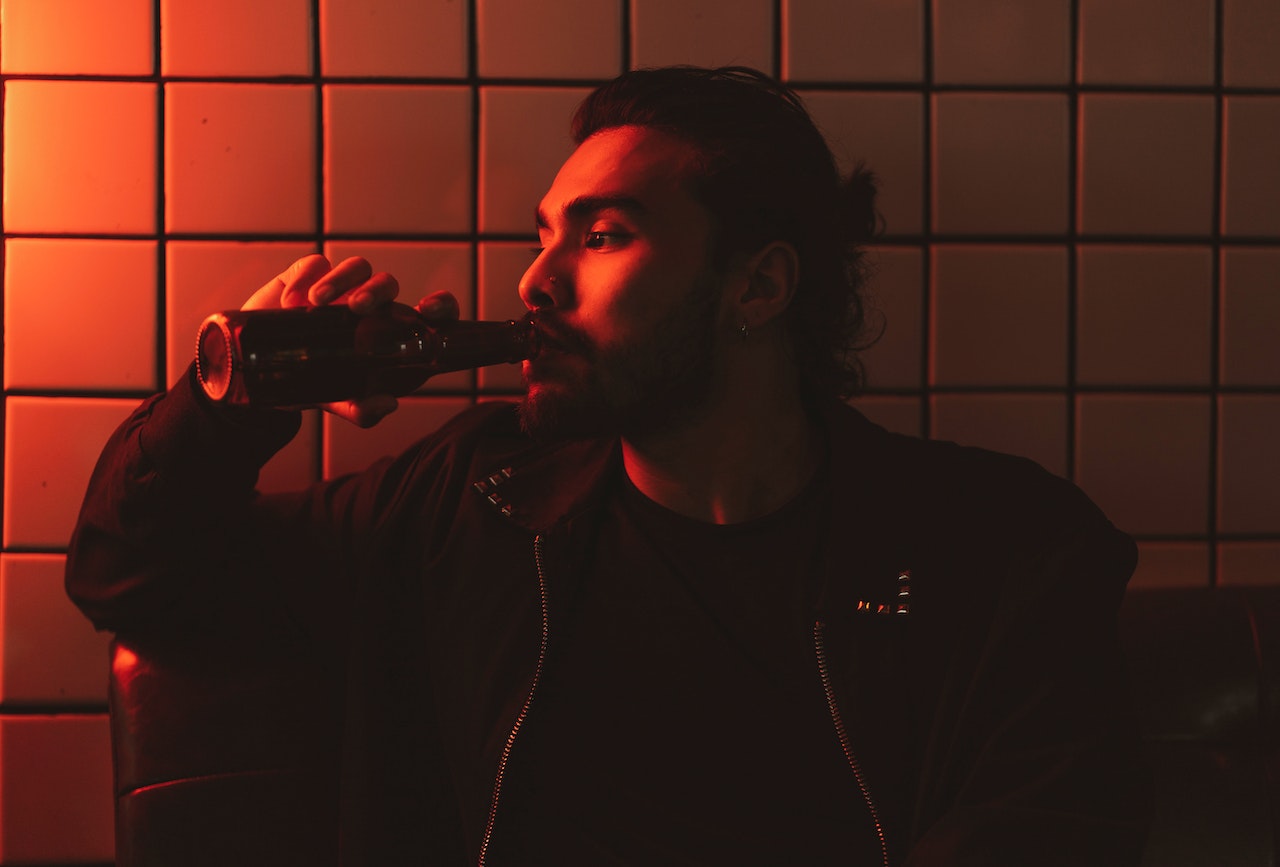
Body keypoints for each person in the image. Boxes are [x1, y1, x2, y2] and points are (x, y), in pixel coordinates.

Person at [68, 66, 1149, 865]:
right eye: (543, 235)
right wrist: (228, 405)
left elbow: (1050, 827)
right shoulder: (471, 501)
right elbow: (133, 578)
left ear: (756, 288)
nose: (534, 282)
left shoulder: (1000, 549)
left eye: (601, 236)